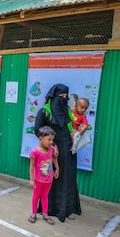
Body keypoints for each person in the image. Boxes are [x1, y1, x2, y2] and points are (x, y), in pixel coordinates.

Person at [34, 83, 81, 222]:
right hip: (51, 150)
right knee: (50, 177)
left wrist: (74, 135)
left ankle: (67, 209)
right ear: (54, 96)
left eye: (66, 96)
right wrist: (52, 144)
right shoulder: (44, 111)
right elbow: (38, 130)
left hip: (68, 149)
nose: (64, 99)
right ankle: (48, 208)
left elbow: (69, 125)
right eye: (61, 96)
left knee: (67, 177)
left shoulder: (66, 109)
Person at [28, 126, 59, 225]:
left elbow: (54, 159)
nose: (51, 142)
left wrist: (57, 169)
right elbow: (32, 166)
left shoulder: (52, 149)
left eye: (52, 140)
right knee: (36, 196)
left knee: (45, 196)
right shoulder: (35, 152)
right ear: (40, 138)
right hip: (38, 180)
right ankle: (33, 213)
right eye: (49, 139)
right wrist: (32, 179)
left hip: (49, 179)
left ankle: (45, 214)